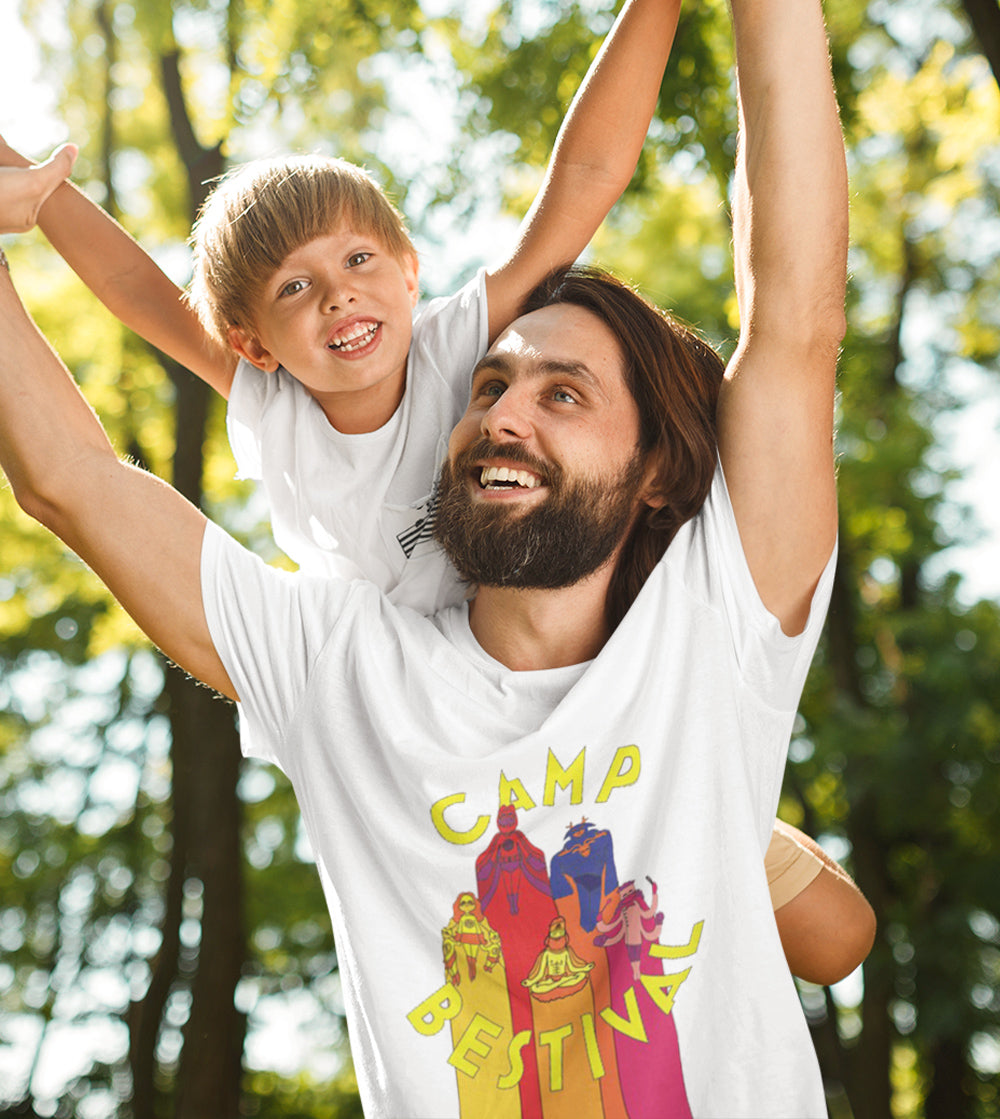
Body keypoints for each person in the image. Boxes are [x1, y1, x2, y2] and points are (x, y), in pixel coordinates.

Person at [0, 0, 865, 1110]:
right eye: (493, 388)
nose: (501, 410)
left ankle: (725, 831)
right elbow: (73, 475)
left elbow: (787, 311)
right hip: (438, 711)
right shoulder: (338, 657)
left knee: (837, 935)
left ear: (656, 471)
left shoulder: (709, 623)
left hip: (674, 751)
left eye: (565, 393)